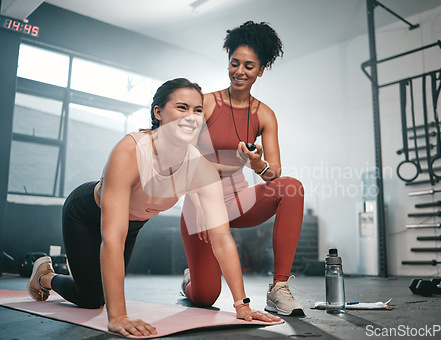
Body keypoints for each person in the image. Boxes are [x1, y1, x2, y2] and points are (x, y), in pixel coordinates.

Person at [26, 78, 281, 338]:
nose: (192, 117)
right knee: (94, 301)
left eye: (198, 110)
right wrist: (118, 317)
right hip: (84, 214)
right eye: (182, 107)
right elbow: (112, 237)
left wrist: (242, 305)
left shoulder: (201, 168)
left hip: (132, 224)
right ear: (158, 112)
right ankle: (45, 276)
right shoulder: (131, 150)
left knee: (94, 295)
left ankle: (48, 276)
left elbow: (222, 239)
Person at [181, 21, 305, 316]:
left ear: (261, 70)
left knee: (291, 188)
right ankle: (191, 279)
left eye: (249, 66)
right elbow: (181, 154)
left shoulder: (264, 114)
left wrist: (256, 163)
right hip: (200, 200)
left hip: (236, 198)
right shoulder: (207, 103)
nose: (239, 71)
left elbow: (273, 172)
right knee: (205, 297)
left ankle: (279, 288)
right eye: (234, 63)